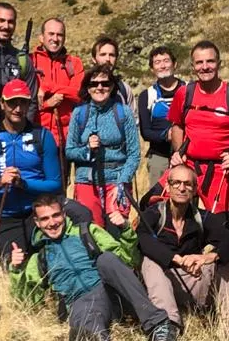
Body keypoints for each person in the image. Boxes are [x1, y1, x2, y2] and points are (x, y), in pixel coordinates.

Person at [9, 194, 177, 341]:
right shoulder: (40, 257)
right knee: (84, 312)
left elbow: (129, 259)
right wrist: (16, 270)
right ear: (37, 222)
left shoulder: (87, 232)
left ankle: (158, 324)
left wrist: (125, 230)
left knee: (106, 260)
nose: (52, 223)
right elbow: (27, 301)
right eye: (45, 219)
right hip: (80, 304)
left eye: (56, 215)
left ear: (64, 214)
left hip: (111, 293)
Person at [137, 166, 229, 341]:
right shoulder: (154, 214)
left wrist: (207, 257)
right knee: (150, 261)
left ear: (195, 189)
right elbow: (143, 240)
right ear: (167, 186)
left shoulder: (202, 217)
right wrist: (176, 259)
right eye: (176, 183)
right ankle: (168, 325)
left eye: (187, 184)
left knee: (228, 259)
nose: (182, 188)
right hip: (162, 284)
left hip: (194, 281)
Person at [0, 79, 62, 258]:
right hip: (6, 216)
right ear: (2, 104)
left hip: (40, 213)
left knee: (49, 261)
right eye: (12, 103)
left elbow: (55, 184)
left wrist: (24, 184)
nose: (18, 109)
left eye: (23, 103)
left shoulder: (43, 136)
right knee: (14, 264)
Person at [166, 40, 229, 226]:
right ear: (193, 66)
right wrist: (178, 153)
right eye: (199, 62)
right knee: (176, 220)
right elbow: (177, 125)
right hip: (188, 167)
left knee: (221, 227)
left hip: (222, 172)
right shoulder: (184, 94)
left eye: (210, 61)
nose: (205, 67)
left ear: (219, 64)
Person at [66, 64, 140, 227]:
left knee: (117, 230)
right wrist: (87, 150)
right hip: (87, 181)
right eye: (94, 84)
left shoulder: (123, 112)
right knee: (93, 231)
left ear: (112, 86)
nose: (99, 87)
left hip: (117, 180)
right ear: (87, 88)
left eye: (105, 83)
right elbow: (69, 151)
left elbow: (134, 154)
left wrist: (122, 182)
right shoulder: (79, 113)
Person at [31, 17, 84, 151]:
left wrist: (47, 87)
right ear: (41, 37)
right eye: (51, 34)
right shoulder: (30, 62)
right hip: (35, 137)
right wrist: (47, 104)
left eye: (60, 35)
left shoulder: (74, 63)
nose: (55, 38)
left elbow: (79, 94)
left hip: (65, 139)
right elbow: (24, 102)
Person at [137, 46, 183, 183]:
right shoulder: (147, 95)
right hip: (159, 156)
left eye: (166, 61)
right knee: (158, 194)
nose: (162, 66)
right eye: (157, 62)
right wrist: (166, 135)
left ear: (175, 64)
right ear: (152, 69)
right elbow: (145, 132)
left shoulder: (189, 89)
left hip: (187, 155)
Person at [0, 1, 38, 120]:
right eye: (1, 20)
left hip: (13, 128)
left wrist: (23, 127)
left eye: (10, 22)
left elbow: (31, 101)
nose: (6, 26)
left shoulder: (22, 60)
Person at [89, 36, 134, 106]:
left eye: (112, 55)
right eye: (103, 54)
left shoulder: (124, 89)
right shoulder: (84, 87)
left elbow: (132, 112)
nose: (108, 59)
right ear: (94, 59)